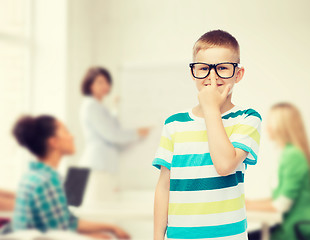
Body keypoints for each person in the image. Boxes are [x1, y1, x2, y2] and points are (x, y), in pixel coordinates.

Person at [152, 30, 262, 240]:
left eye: (222, 68)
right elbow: (164, 186)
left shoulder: (247, 118)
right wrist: (158, 237)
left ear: (238, 74)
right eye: (203, 68)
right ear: (193, 73)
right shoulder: (174, 124)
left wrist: (211, 109)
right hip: (181, 236)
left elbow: (224, 165)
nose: (213, 77)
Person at [11, 115, 130, 239]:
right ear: (54, 142)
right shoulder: (47, 181)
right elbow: (59, 235)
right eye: (65, 131)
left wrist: (110, 227)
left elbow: (68, 223)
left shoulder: (33, 176)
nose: (72, 136)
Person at [246, 103, 310, 240]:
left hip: (294, 229)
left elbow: (281, 205)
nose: (267, 128)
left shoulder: (293, 156)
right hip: (289, 226)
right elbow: (279, 198)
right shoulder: (290, 153)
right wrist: (249, 203)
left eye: (271, 123)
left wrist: (247, 205)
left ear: (282, 127)